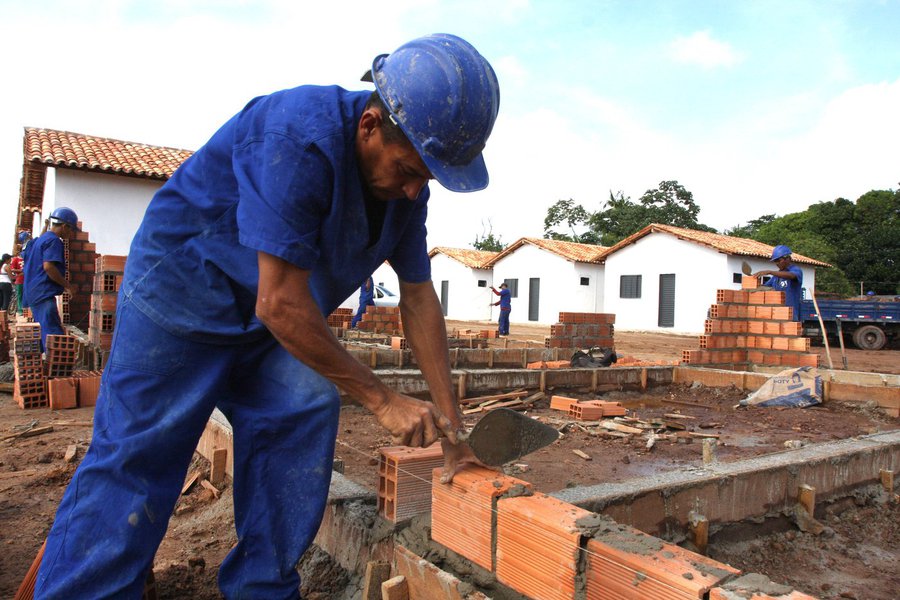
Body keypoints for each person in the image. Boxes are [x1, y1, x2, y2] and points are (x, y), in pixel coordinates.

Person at [36, 33, 499, 599]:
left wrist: (453, 429)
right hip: (180, 301)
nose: (411, 188)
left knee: (303, 405)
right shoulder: (295, 136)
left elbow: (419, 298)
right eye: (408, 168)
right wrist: (382, 399)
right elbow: (279, 301)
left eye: (424, 178)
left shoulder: (407, 192)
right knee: (139, 456)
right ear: (370, 124)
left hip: (264, 325)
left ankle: (262, 587)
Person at [22, 208, 78, 350]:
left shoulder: (42, 239)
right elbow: (49, 267)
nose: (71, 234)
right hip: (43, 294)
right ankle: (57, 371)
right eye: (71, 230)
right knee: (54, 338)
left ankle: (39, 367)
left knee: (43, 335)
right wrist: (68, 286)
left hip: (34, 293)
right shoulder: (54, 241)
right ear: (64, 226)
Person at [752, 245, 803, 321]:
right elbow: (764, 287)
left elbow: (791, 276)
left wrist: (770, 272)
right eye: (775, 261)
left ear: (787, 258)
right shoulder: (776, 277)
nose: (777, 263)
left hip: (791, 316)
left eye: (778, 260)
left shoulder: (796, 270)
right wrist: (752, 287)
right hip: (777, 314)